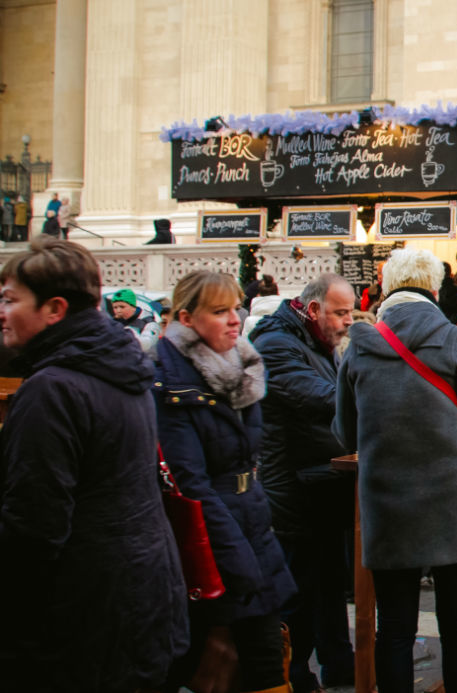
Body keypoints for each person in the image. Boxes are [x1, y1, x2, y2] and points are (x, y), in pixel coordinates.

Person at [0, 239, 188, 692]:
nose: (1, 312)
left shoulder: (53, 389)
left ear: (54, 309)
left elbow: (33, 528)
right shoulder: (120, 368)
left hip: (78, 617)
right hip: (140, 600)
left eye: (9, 300)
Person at [335, 248, 457, 693]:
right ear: (434, 289)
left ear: (387, 288)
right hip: (453, 503)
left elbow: (345, 434)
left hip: (387, 502)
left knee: (394, 628)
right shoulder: (453, 338)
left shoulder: (358, 346)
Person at [153, 271, 296, 693]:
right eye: (220, 311)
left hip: (250, 523)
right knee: (215, 659)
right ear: (186, 318)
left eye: (236, 307)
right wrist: (238, 560)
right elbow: (189, 485)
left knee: (266, 654)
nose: (235, 319)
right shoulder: (169, 383)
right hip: (211, 542)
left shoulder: (240, 366)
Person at [251, 274, 357, 692]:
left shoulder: (315, 340)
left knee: (330, 582)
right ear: (313, 310)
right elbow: (323, 398)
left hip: (321, 481)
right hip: (292, 488)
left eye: (350, 311)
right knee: (298, 589)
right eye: (340, 312)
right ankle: (293, 676)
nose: (348, 321)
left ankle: (339, 664)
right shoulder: (275, 344)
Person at [110, 286, 163, 351]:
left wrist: (125, 329)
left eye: (122, 307)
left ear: (133, 307)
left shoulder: (149, 323)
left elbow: (146, 344)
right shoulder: (114, 322)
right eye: (115, 307)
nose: (118, 311)